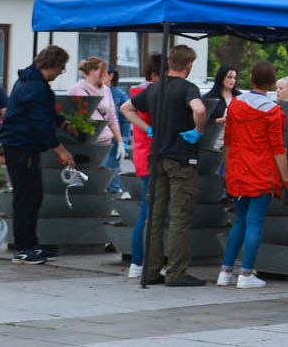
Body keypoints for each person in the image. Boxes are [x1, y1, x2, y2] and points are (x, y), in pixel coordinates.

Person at [127, 45, 210, 286]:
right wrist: (198, 130)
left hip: (157, 159)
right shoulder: (188, 88)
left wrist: (147, 129)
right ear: (188, 65)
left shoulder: (154, 88)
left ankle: (150, 271)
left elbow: (126, 109)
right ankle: (176, 272)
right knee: (179, 217)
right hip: (181, 159)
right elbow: (200, 109)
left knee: (154, 217)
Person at [0, 46, 75, 264]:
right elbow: (40, 124)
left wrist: (61, 121)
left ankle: (30, 243)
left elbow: (42, 111)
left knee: (32, 196)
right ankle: (23, 248)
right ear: (51, 65)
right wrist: (60, 150)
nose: (61, 72)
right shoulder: (36, 87)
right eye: (61, 68)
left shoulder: (30, 81)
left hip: (20, 146)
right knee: (27, 198)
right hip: (23, 147)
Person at [219, 62, 288, 289]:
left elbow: (228, 141)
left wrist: (228, 169)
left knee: (239, 222)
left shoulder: (235, 105)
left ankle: (225, 272)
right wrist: (286, 180)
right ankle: (246, 274)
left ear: (251, 78)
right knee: (254, 223)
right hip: (262, 174)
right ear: (272, 82)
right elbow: (278, 149)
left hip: (238, 172)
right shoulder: (272, 111)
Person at [120, 54, 162, 277]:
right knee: (147, 212)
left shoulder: (137, 91)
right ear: (155, 74)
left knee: (145, 211)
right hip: (150, 156)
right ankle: (138, 262)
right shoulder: (149, 94)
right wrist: (149, 129)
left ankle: (138, 262)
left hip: (141, 155)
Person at [66, 58, 125, 194]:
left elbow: (112, 117)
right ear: (93, 72)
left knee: (99, 181)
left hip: (103, 142)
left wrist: (120, 141)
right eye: (103, 72)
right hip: (84, 143)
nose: (106, 75)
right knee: (84, 180)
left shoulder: (106, 90)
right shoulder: (76, 89)